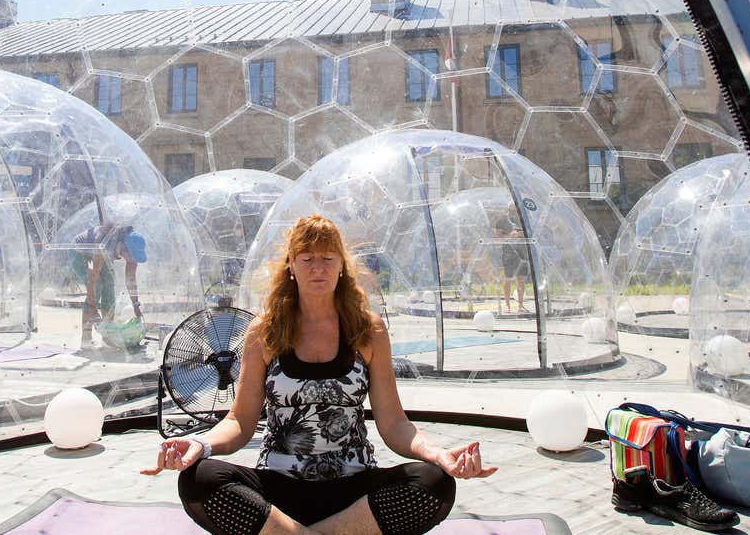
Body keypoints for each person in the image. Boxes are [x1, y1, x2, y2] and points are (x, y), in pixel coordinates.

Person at [143, 214, 496, 534]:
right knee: (199, 477)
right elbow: (239, 422)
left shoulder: (367, 330)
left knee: (435, 481)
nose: (318, 268)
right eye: (307, 258)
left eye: (328, 258)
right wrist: (200, 445)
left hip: (354, 489)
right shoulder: (264, 331)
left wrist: (438, 455)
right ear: (291, 267)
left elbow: (394, 425)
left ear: (342, 266)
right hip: (279, 489)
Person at [72, 222, 147, 346]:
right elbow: (92, 278)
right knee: (98, 285)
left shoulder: (129, 249)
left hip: (102, 254)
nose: (133, 260)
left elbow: (131, 280)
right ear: (122, 246)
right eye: (131, 256)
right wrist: (93, 309)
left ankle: (108, 336)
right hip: (80, 252)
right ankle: (86, 339)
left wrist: (135, 304)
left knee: (109, 286)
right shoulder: (104, 244)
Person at [497, 220, 530, 314]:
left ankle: (520, 305)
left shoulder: (525, 216)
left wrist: (524, 235)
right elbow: (497, 235)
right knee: (507, 279)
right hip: (509, 253)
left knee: (521, 280)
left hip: (521, 252)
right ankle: (507, 305)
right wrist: (510, 235)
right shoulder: (504, 221)